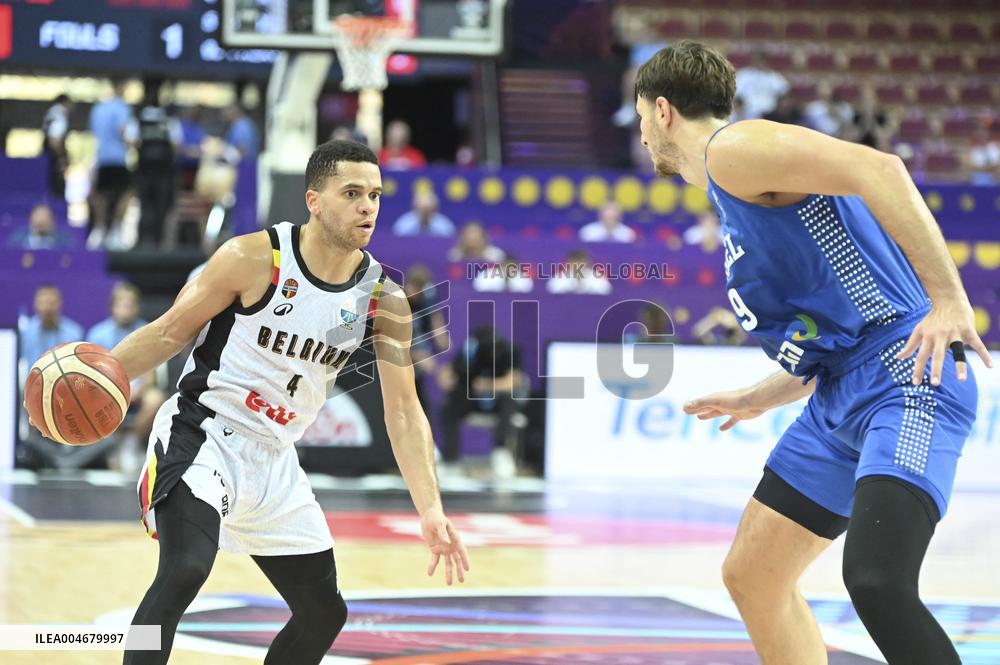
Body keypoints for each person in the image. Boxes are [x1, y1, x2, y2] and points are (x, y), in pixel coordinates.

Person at [26, 140, 470, 664]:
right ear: (314, 200)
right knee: (186, 568)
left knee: (324, 614)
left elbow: (404, 413)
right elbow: (169, 332)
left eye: (374, 194)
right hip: (203, 434)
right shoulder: (253, 258)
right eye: (351, 193)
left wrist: (431, 508)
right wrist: (95, 381)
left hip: (275, 459)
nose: (367, 206)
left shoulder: (383, 299)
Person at [634, 41, 991, 665]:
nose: (640, 134)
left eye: (641, 117)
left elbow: (883, 169)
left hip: (907, 374)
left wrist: (949, 299)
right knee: (754, 576)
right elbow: (831, 339)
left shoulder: (732, 150)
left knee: (878, 582)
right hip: (840, 391)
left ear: (662, 111)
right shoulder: (735, 187)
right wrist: (760, 395)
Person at [87, 283, 166, 472]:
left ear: (137, 307)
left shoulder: (147, 331)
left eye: (129, 305)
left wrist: (138, 389)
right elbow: (91, 374)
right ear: (112, 307)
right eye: (121, 305)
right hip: (107, 392)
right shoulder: (97, 334)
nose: (125, 309)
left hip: (138, 391)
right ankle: (113, 445)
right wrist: (117, 391)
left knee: (155, 399)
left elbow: (152, 372)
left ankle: (132, 442)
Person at [438, 326, 526, 479]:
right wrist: (450, 380)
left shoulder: (509, 351)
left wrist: (487, 385)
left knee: (509, 400)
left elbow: (513, 382)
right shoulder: (470, 351)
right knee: (450, 405)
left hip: (497, 401)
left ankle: (501, 451)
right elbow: (448, 375)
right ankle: (450, 459)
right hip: (473, 400)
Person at [132, 82, 182, 248]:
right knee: (161, 204)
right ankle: (158, 241)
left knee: (144, 204)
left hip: (144, 168)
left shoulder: (138, 119)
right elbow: (176, 145)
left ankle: (143, 240)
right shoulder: (169, 120)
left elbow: (133, 141)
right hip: (163, 169)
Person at [88, 78, 134, 249]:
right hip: (118, 158)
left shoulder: (98, 108)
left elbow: (94, 132)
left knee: (101, 194)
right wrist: (132, 143)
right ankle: (116, 229)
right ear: (121, 86)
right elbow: (122, 130)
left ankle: (99, 229)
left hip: (101, 158)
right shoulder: (122, 107)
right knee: (126, 193)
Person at [19, 285, 84, 367]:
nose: (47, 308)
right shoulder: (24, 333)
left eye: (51, 303)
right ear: (35, 304)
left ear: (60, 304)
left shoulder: (74, 333)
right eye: (42, 303)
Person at [42, 94, 73, 200]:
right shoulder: (60, 114)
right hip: (53, 159)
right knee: (56, 188)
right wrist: (61, 158)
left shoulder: (51, 112)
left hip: (47, 157)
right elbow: (55, 139)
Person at [6, 203, 76, 250]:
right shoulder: (18, 239)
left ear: (52, 222)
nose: (40, 222)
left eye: (45, 220)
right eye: (37, 218)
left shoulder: (64, 242)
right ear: (31, 220)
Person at [546, 249, 612, 295]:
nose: (578, 266)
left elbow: (606, 290)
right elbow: (551, 289)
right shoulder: (561, 276)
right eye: (574, 263)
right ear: (569, 263)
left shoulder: (596, 276)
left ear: (587, 263)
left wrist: (584, 284)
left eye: (581, 263)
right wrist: (573, 283)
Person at [392, 190, 456, 237]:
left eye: (428, 209)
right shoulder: (404, 223)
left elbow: (450, 241)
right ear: (414, 208)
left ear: (435, 209)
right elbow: (396, 239)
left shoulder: (445, 225)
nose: (424, 213)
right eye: (421, 209)